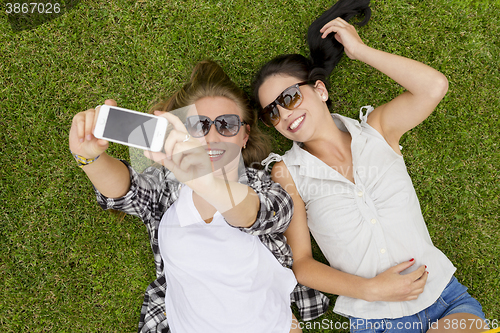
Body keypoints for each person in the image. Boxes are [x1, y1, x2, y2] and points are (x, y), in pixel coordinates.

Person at [252, 0, 488, 332]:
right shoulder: (287, 172)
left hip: (444, 300)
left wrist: (360, 51)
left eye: (290, 97)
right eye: (271, 112)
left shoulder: (377, 130)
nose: (284, 114)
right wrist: (371, 289)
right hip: (375, 319)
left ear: (319, 90)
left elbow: (434, 87)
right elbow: (302, 264)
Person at [68, 61, 327, 332]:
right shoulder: (166, 188)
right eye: (199, 125)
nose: (213, 136)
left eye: (227, 124)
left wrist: (205, 180)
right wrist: (90, 157)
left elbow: (263, 213)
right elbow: (126, 192)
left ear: (245, 136)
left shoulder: (267, 183)